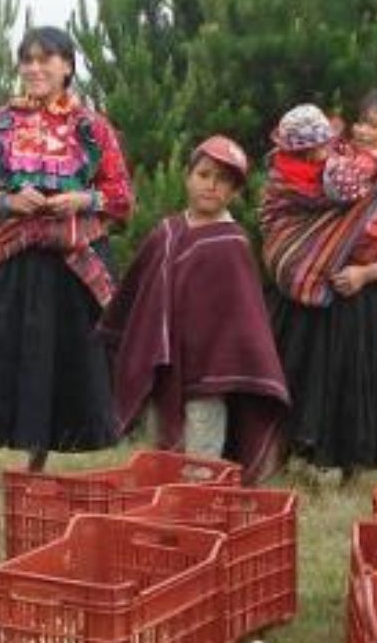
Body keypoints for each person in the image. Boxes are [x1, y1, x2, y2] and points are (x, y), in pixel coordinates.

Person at [0, 27, 134, 494]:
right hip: (14, 257)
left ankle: (33, 475)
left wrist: (80, 199)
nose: (35, 68)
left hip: (73, 262)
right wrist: (7, 201)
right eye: (28, 60)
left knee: (54, 362)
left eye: (47, 59)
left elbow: (122, 197)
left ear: (68, 67)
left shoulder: (92, 128)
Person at [98, 135, 290, 483]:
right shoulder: (165, 233)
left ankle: (201, 519)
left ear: (233, 192)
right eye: (204, 174)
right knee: (159, 457)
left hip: (208, 377)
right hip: (162, 370)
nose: (211, 186)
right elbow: (138, 300)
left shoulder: (232, 244)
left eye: (224, 180)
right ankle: (161, 518)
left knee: (202, 463)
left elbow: (245, 323)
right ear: (188, 177)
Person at [262, 92, 377, 476]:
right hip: (307, 285)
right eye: (360, 121)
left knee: (351, 385)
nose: (362, 130)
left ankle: (345, 469)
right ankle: (279, 458)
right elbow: (308, 195)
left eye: (374, 124)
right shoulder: (334, 162)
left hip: (361, 297)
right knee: (296, 374)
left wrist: (365, 274)